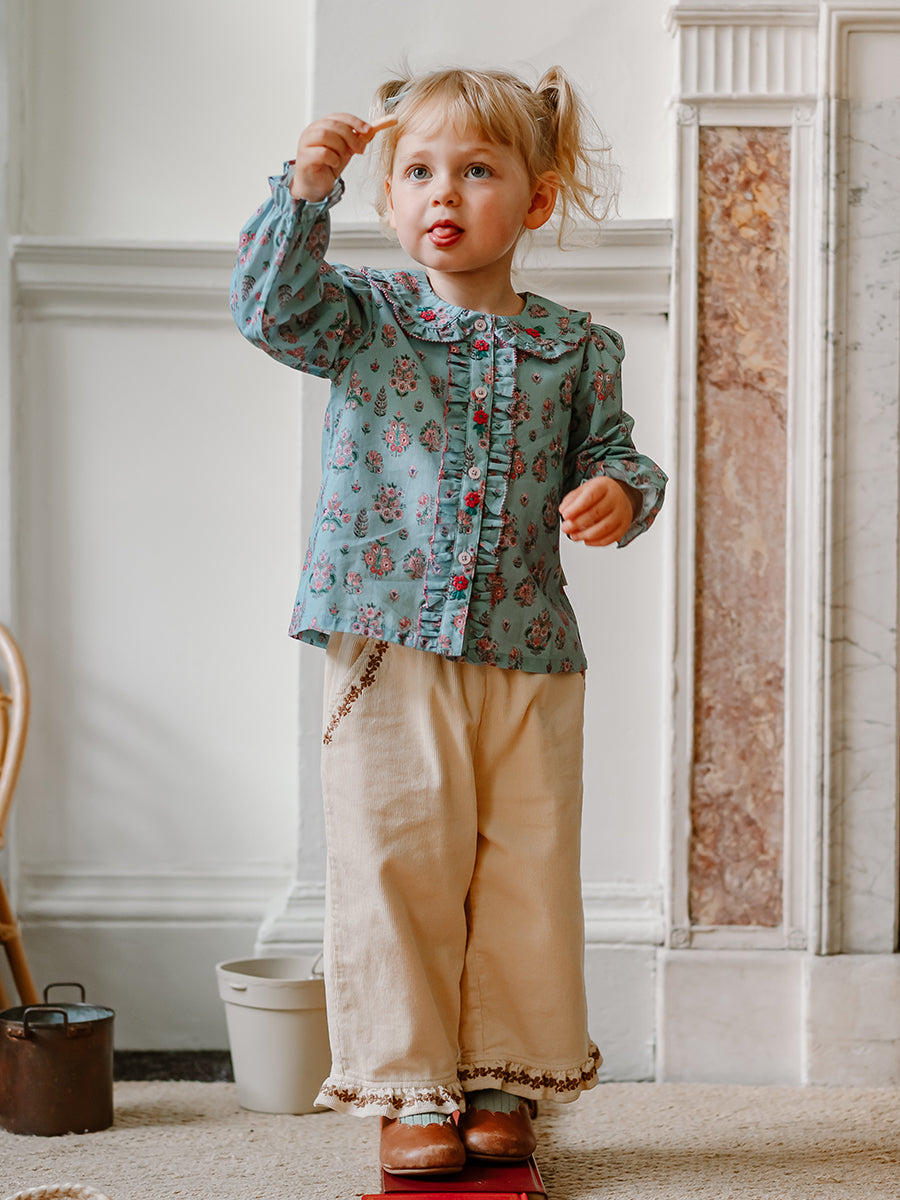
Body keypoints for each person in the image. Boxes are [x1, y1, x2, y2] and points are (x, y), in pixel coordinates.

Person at [230, 65, 667, 1178]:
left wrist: (620, 494)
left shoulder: (579, 347)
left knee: (525, 868)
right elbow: (267, 309)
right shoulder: (362, 317)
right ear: (389, 197)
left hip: (529, 650)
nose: (444, 193)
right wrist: (305, 188)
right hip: (388, 643)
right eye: (419, 171)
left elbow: (615, 455)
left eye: (476, 171)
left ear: (535, 200)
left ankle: (502, 1078)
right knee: (397, 860)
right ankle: (409, 1083)